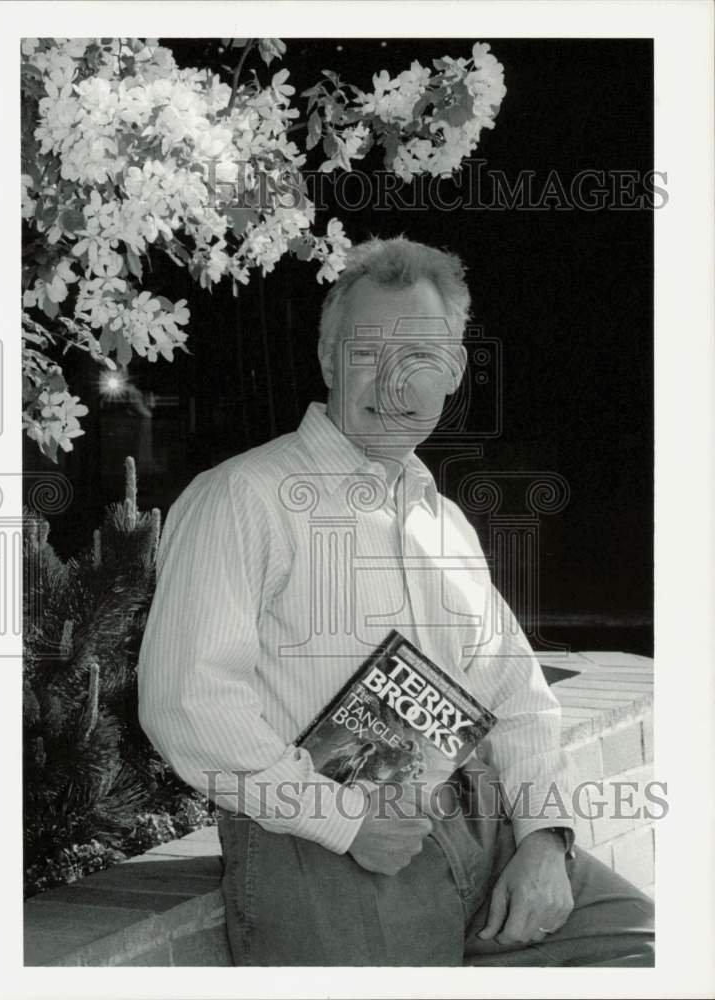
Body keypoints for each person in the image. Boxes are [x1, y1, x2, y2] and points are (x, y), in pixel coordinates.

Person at [138, 236, 654, 966]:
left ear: (450, 375)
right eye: (365, 352)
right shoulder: (242, 499)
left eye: (420, 356)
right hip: (323, 854)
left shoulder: (441, 521)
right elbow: (184, 703)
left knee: (643, 945)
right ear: (326, 360)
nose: (392, 379)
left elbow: (517, 694)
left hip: (477, 832)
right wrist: (344, 818)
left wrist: (543, 836)